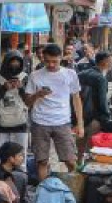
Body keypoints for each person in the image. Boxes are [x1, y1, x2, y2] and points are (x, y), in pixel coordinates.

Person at [23, 43, 83, 181]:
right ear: (42, 58)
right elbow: (27, 102)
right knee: (42, 161)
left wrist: (80, 124)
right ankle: (44, 191)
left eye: (54, 61)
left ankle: (74, 191)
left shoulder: (70, 74)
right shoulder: (35, 75)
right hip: (39, 122)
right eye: (47, 61)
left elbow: (76, 99)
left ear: (61, 58)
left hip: (62, 122)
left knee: (70, 160)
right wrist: (37, 95)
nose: (51, 64)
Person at [0, 51, 31, 160]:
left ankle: (20, 177)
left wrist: (21, 88)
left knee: (20, 159)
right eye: (12, 62)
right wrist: (4, 88)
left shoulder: (25, 77)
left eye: (17, 63)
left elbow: (28, 101)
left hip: (20, 124)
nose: (14, 66)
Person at [77, 53, 112, 136]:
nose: (111, 64)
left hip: (78, 113)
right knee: (91, 141)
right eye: (110, 61)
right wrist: (106, 116)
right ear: (104, 62)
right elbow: (102, 100)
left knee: (79, 141)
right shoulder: (101, 79)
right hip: (92, 116)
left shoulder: (81, 74)